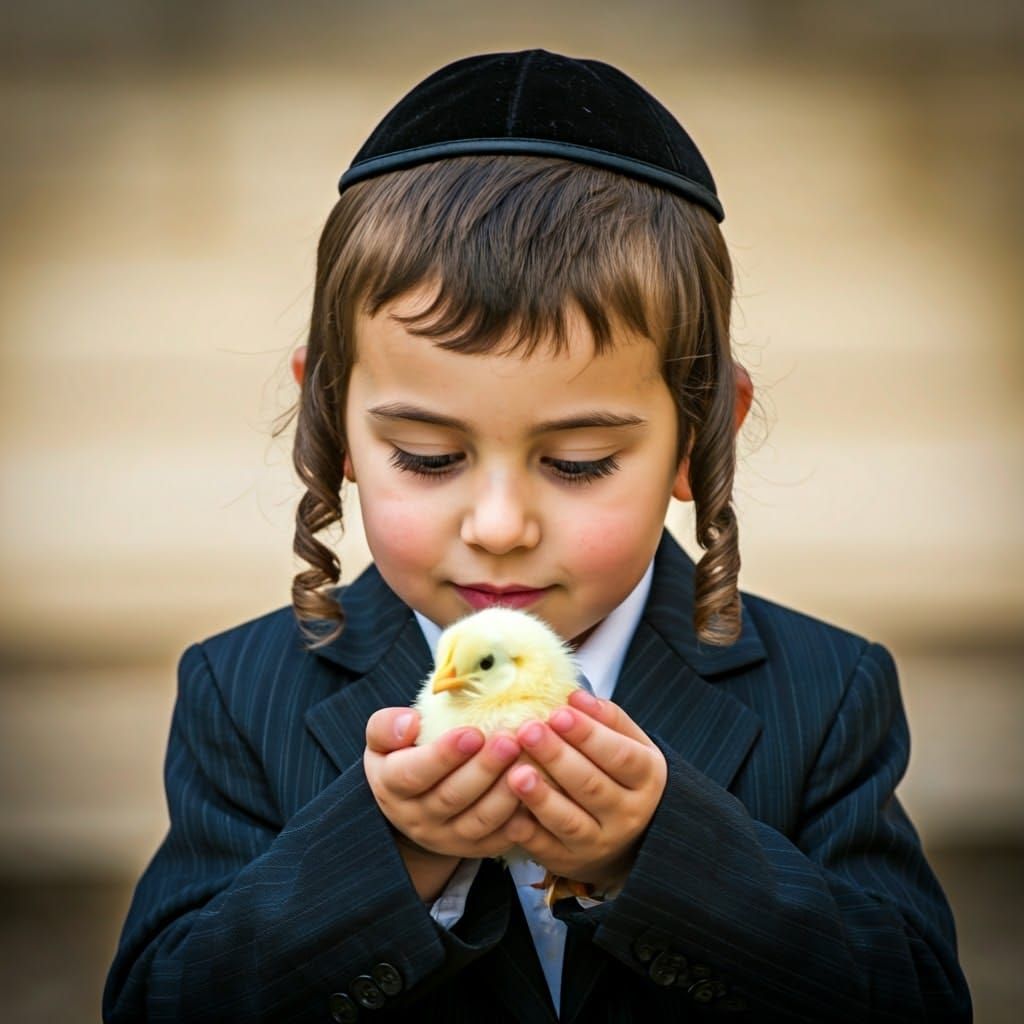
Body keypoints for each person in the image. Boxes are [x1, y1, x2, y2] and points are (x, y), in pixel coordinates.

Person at [103, 50, 971, 1022]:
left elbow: (915, 995)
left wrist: (654, 849)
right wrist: (392, 850)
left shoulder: (824, 691)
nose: (501, 527)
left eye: (579, 462)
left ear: (701, 431)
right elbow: (160, 999)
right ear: (332, 419)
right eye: (429, 457)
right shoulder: (244, 692)